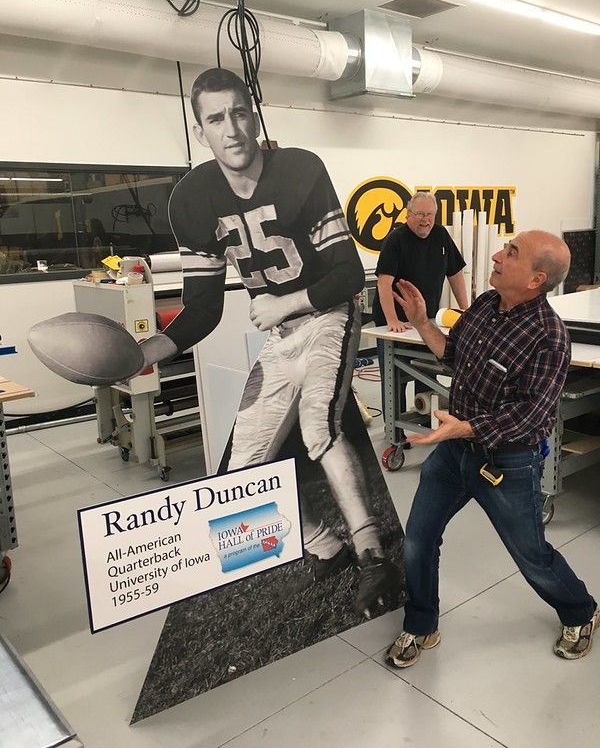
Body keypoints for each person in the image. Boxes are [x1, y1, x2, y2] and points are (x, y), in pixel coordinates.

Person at [140, 67, 399, 616]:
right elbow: (203, 308)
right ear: (200, 130)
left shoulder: (300, 169)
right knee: (241, 472)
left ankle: (374, 554)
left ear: (253, 115)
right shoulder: (191, 200)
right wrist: (147, 353)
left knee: (317, 429)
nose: (231, 129)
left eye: (238, 113)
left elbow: (349, 274)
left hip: (327, 315)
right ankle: (322, 544)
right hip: (280, 338)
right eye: (216, 118)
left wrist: (286, 302)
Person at [386, 230, 598, 667]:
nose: (498, 255)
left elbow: (531, 416)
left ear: (537, 278)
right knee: (419, 540)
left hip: (506, 463)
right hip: (453, 451)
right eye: (504, 248)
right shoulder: (484, 305)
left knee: (531, 555)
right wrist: (424, 321)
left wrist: (465, 427)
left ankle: (582, 611)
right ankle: (421, 624)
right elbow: (451, 355)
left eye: (511, 253)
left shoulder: (549, 337)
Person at [371, 192, 468, 441]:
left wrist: (466, 309)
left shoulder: (441, 235)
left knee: (427, 371)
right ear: (408, 214)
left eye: (430, 215)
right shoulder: (396, 240)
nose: (425, 220)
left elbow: (455, 273)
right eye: (419, 215)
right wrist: (392, 320)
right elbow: (384, 283)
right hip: (396, 322)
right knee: (395, 376)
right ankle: (395, 431)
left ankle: (426, 422)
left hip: (427, 320)